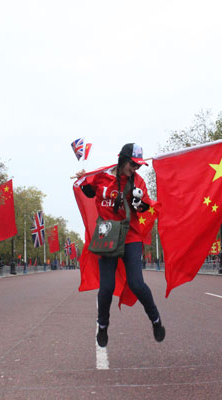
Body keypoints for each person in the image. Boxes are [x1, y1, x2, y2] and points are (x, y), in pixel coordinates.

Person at [77, 143, 165, 347]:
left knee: (136, 283)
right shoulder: (102, 177)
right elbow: (89, 192)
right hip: (107, 235)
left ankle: (156, 319)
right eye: (132, 164)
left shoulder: (138, 182)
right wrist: (83, 179)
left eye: (138, 165)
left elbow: (145, 207)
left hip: (130, 236)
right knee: (106, 287)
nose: (135, 169)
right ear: (122, 160)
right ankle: (103, 325)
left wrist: (138, 203)